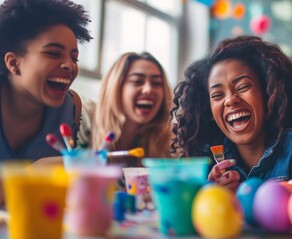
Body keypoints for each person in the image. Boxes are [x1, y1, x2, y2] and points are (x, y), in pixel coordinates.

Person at [170, 35, 292, 192]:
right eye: (217, 95)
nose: (230, 100)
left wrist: (239, 204)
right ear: (210, 111)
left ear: (269, 93)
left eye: (243, 87)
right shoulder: (206, 156)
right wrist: (210, 197)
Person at [0, 0, 91, 161]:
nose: (69, 65)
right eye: (54, 54)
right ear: (14, 63)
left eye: (74, 58)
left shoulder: (71, 106)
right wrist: (30, 176)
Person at [78, 52, 173, 166]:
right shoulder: (84, 118)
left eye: (157, 83)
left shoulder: (164, 141)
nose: (148, 89)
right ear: (116, 87)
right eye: (137, 81)